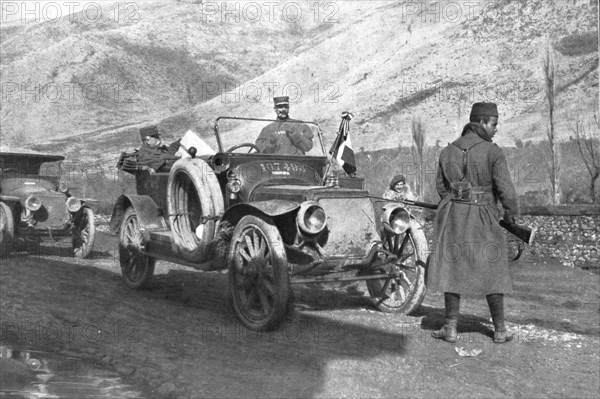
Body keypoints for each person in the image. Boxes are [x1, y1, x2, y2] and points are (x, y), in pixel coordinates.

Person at [427, 102, 519, 344]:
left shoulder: (447, 151)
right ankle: (499, 329)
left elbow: (440, 187)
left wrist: (457, 203)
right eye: (494, 124)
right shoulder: (493, 152)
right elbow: (505, 189)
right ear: (482, 122)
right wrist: (510, 215)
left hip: (453, 215)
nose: (496, 129)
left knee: (452, 266)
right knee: (493, 267)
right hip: (484, 214)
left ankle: (451, 328)